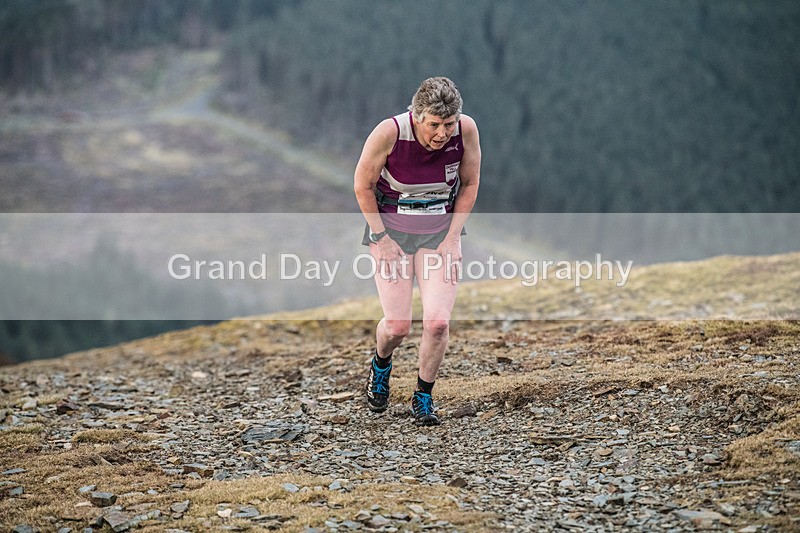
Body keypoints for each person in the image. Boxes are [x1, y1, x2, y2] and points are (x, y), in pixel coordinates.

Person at [353, 77, 481, 426]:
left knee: (438, 323)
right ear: (417, 116)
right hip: (390, 233)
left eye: (448, 124)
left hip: (438, 234)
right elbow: (362, 185)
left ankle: (423, 397)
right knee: (397, 327)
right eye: (434, 125)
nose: (442, 134)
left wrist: (454, 237)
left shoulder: (466, 131)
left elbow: (469, 183)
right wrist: (382, 237)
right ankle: (381, 364)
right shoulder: (390, 133)